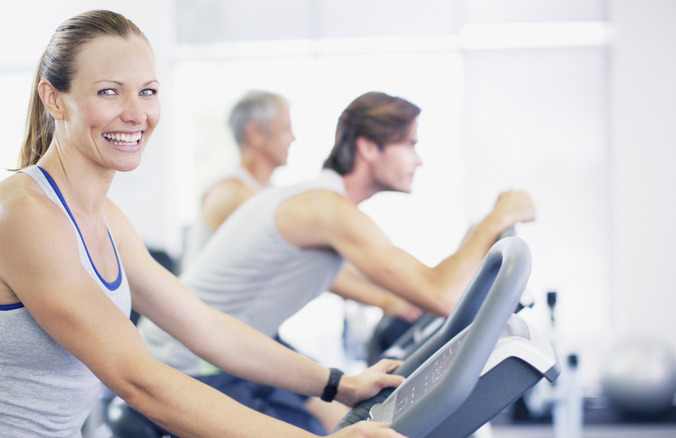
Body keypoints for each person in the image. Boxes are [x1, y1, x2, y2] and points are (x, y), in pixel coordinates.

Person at [0, 10, 406, 438]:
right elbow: (138, 380)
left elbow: (207, 328)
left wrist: (338, 384)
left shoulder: (106, 218)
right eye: (109, 91)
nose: (136, 113)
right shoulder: (22, 216)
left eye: (147, 91)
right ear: (55, 99)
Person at [137, 91, 537, 432]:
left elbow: (406, 280)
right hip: (190, 363)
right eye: (410, 144)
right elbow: (443, 293)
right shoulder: (325, 209)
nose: (419, 160)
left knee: (352, 421)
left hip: (233, 351)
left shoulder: (322, 204)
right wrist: (499, 216)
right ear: (368, 148)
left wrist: (397, 299)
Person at [180, 90, 295, 271]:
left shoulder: (270, 192)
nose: (293, 138)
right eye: (286, 128)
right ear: (256, 133)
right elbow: (297, 243)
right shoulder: (229, 193)